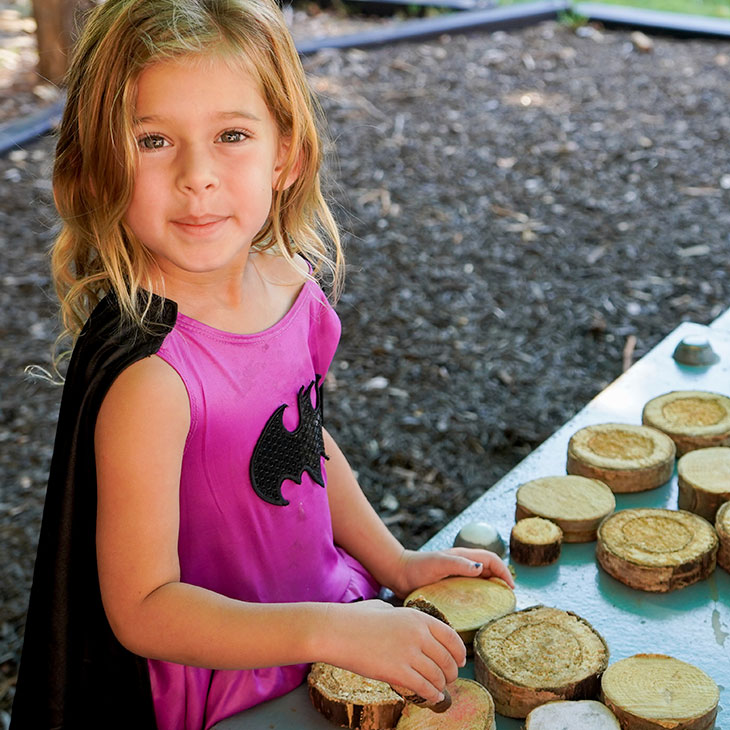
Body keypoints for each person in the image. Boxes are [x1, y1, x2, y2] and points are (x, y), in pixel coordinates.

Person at [11, 1, 514, 728]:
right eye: (152, 140)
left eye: (232, 135)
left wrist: (395, 562)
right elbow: (143, 610)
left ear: (287, 155)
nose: (197, 177)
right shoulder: (153, 378)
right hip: (229, 689)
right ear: (98, 165)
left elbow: (303, 442)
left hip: (330, 622)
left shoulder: (290, 287)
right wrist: (329, 630)